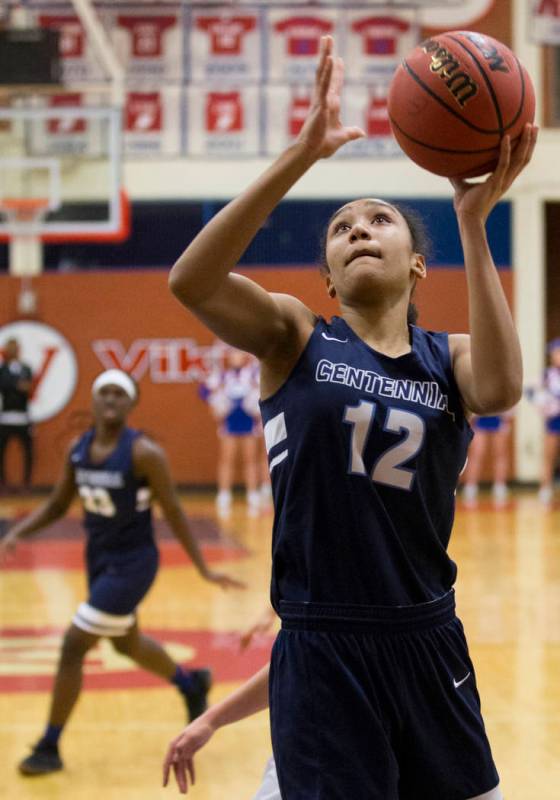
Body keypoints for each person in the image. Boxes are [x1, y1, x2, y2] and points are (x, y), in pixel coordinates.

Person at [165, 35, 537, 800]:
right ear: (329, 280)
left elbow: (501, 391)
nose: (360, 229)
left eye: (379, 220)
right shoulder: (295, 336)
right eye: (342, 229)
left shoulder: (450, 358)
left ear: (417, 263)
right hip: (320, 642)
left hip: (429, 637)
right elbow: (192, 280)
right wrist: (302, 156)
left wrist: (474, 220)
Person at [0, 368, 244, 776]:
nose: (111, 400)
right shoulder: (79, 449)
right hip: (98, 560)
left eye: (119, 394)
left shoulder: (144, 453)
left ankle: (49, 746)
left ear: (130, 405)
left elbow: (175, 513)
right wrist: (17, 532)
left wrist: (203, 568)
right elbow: (59, 505)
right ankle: (191, 683)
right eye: (104, 393)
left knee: (74, 643)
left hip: (134, 564)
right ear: (93, 402)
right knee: (124, 644)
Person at [200, 347, 263, 517]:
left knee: (250, 459)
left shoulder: (253, 374)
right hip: (229, 422)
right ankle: (224, 494)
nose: (235, 357)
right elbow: (204, 391)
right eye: (232, 354)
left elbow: (264, 390)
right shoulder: (222, 376)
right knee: (227, 459)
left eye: (239, 354)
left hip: (249, 421)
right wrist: (215, 402)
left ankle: (253, 493)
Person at [526, 338, 560, 505]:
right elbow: (528, 390)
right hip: (553, 421)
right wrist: (542, 406)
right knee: (549, 455)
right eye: (555, 353)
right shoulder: (547, 375)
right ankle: (545, 488)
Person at [0, 337, 33, 492]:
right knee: (2, 450)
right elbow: (5, 386)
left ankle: (26, 483)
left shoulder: (26, 368)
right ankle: (3, 483)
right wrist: (16, 384)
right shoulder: (2, 370)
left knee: (28, 450)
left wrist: (12, 385)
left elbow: (27, 386)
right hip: (6, 417)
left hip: (23, 416)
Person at [462, 413, 512, 508]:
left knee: (500, 453)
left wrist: (507, 418)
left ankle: (500, 485)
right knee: (477, 453)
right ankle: (470, 486)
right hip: (480, 417)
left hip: (499, 416)